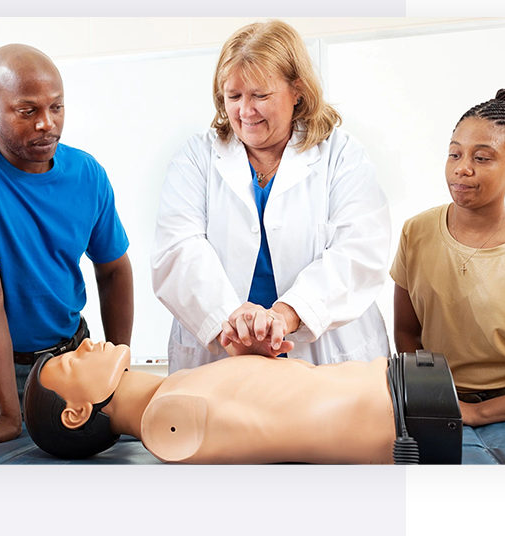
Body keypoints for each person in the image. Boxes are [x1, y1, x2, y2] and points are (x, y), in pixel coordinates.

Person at [0, 44, 133, 449]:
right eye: (27, 110)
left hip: (68, 358)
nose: (46, 124)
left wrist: (119, 360)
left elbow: (114, 269)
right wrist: (7, 411)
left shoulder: (87, 173)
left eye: (56, 107)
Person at [151, 20, 391, 372]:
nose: (245, 111)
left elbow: (358, 252)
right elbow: (178, 251)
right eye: (233, 97)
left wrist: (285, 315)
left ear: (298, 90)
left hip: (326, 356)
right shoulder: (196, 158)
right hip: (223, 352)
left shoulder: (342, 156)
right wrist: (231, 323)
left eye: (260, 96)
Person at [390, 86, 505, 427]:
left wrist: (478, 413)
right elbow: (407, 334)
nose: (462, 169)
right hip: (440, 403)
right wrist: (437, 398)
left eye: (481, 158)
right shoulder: (417, 231)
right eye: (455, 154)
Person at [24, 339, 399, 464]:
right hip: (398, 410)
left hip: (394, 388)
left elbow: (281, 403)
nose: (86, 344)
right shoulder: (169, 424)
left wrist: (253, 360)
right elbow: (308, 423)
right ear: (77, 413)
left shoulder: (173, 396)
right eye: (72, 362)